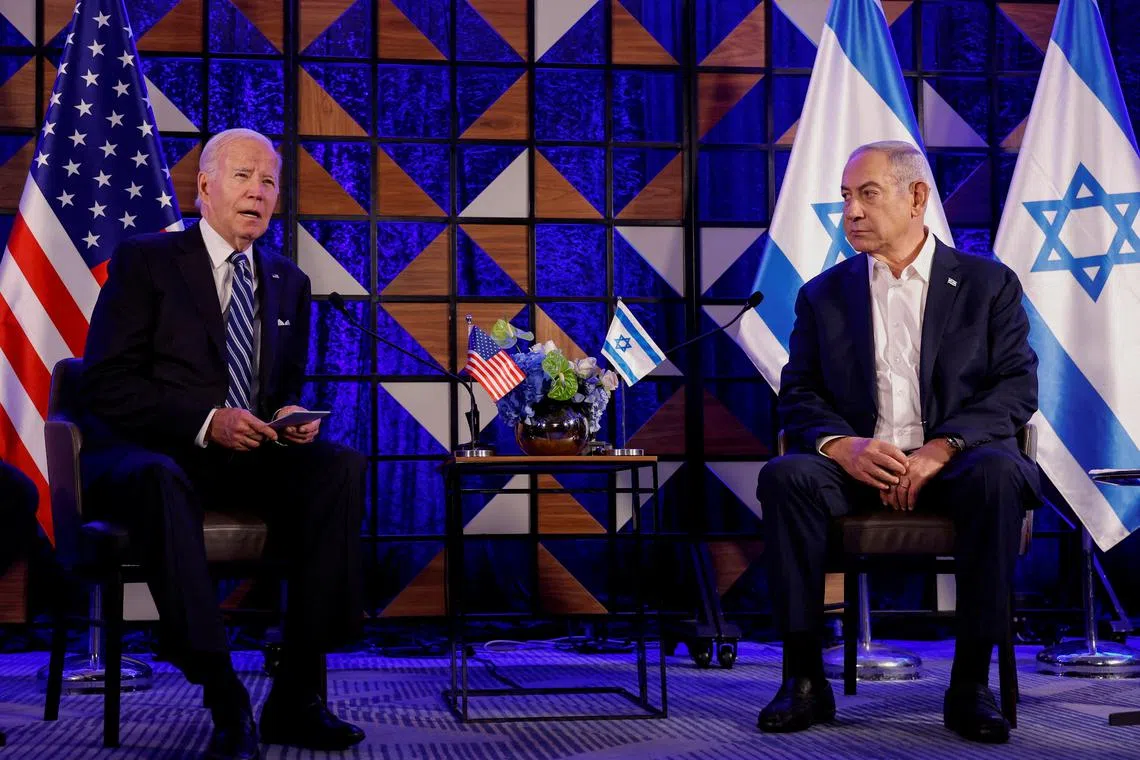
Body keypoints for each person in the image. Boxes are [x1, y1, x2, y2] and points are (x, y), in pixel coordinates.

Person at [80, 128, 366, 760]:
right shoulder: (147, 260)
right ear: (205, 186)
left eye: (269, 182)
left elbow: (278, 388)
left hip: (247, 455)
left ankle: (296, 697)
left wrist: (288, 416)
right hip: (153, 451)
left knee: (338, 466)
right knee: (161, 480)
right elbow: (104, 384)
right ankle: (223, 694)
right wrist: (208, 420)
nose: (258, 193)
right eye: (243, 177)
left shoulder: (288, 280)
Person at [755, 141, 1039, 744]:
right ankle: (804, 680)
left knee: (998, 474)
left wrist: (943, 447)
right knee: (786, 476)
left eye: (867, 194)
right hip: (859, 466)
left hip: (957, 464)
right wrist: (842, 447)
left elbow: (1017, 387)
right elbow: (798, 394)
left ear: (917, 198)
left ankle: (969, 687)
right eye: (845, 198)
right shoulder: (823, 295)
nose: (851, 212)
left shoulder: (989, 285)